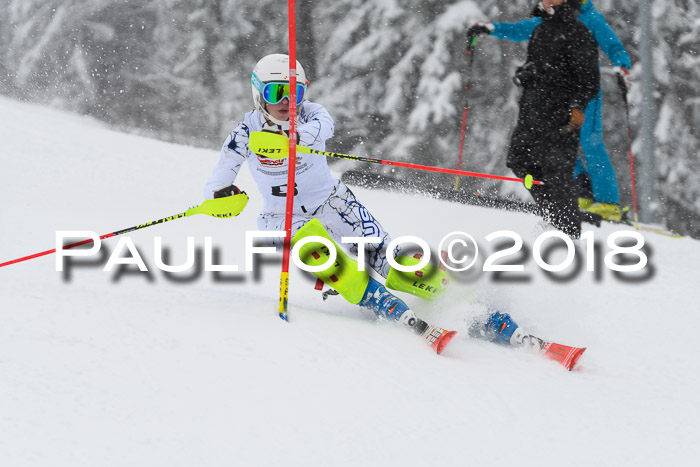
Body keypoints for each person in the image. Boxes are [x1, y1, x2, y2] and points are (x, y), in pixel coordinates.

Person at [203, 53, 455, 353]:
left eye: (294, 92)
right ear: (259, 94)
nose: (287, 101)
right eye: (276, 92)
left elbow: (324, 128)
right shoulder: (246, 132)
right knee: (334, 264)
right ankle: (374, 297)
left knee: (386, 258)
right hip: (284, 218)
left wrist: (294, 136)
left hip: (335, 202)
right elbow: (222, 172)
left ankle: (449, 292)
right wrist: (220, 192)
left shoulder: (311, 115)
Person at [467, 0, 631, 222]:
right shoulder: (548, 19)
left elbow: (612, 44)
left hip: (585, 95)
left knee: (591, 143)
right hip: (556, 98)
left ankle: (608, 203)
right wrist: (493, 28)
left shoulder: (589, 18)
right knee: (561, 143)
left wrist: (622, 66)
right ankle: (581, 193)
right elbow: (521, 29)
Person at [502, 0, 599, 238]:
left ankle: (569, 233)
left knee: (557, 171)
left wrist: (577, 107)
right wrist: (526, 73)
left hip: (561, 115)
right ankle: (554, 218)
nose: (546, 1)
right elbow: (540, 67)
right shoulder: (541, 29)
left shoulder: (578, 31)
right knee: (520, 161)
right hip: (533, 113)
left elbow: (589, 79)